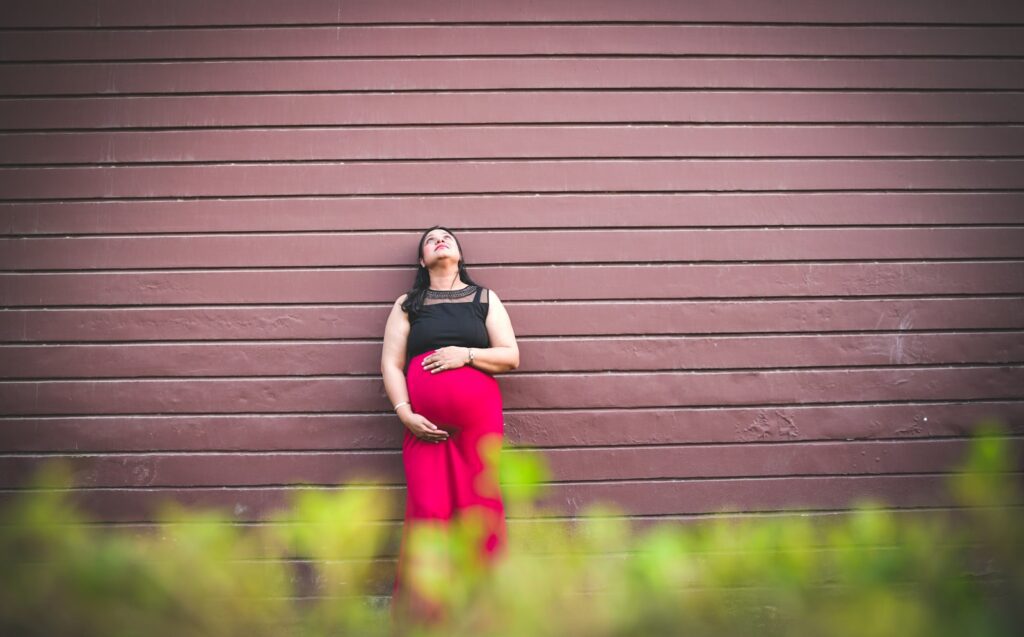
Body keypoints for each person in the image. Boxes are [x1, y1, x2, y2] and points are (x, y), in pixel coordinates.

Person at [380, 225, 520, 625]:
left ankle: (486, 620)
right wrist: (405, 412)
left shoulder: (484, 299)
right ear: (423, 261)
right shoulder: (409, 304)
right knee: (429, 515)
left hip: (479, 426)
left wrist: (467, 354)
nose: (439, 241)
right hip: (421, 429)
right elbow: (390, 363)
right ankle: (427, 622)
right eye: (430, 240)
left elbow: (511, 355)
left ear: (459, 253)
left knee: (481, 512)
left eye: (447, 237)